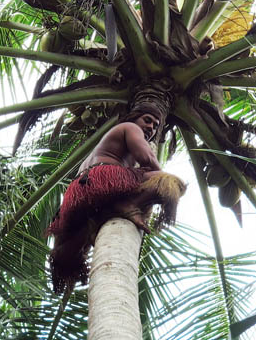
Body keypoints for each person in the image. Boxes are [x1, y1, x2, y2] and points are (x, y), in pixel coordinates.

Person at [46, 106, 186, 294]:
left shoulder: (104, 145)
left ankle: (91, 226)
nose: (151, 127)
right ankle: (124, 206)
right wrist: (158, 175)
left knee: (66, 255)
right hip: (104, 179)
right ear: (134, 118)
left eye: (155, 125)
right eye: (147, 120)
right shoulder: (130, 127)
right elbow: (147, 157)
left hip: (78, 192)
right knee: (174, 183)